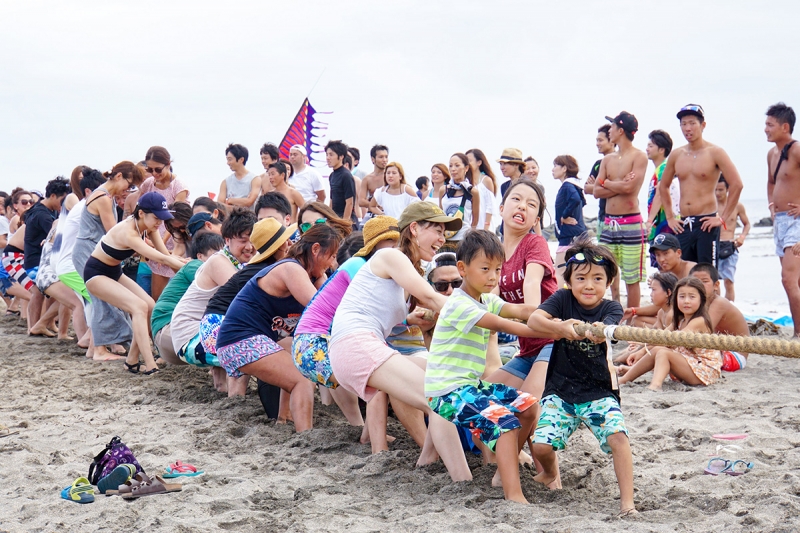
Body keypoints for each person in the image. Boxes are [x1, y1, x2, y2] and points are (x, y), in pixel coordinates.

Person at [328, 202, 472, 481]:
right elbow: (432, 297)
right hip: (356, 343)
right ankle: (463, 480)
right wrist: (478, 315)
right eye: (437, 230)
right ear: (415, 229)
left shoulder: (406, 270)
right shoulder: (390, 256)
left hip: (358, 345)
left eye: (445, 233)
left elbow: (389, 309)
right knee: (439, 401)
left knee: (443, 383)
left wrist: (412, 319)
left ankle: (427, 460)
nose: (443, 239)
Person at [425, 230, 539, 503]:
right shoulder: (458, 304)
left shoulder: (486, 298)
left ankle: (503, 469)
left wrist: (555, 315)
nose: (492, 276)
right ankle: (514, 495)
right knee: (506, 424)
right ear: (463, 269)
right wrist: (552, 331)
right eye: (485, 268)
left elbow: (520, 311)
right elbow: (501, 324)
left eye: (497, 270)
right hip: (447, 392)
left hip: (471, 386)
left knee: (529, 407)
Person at [527, 237, 634, 516]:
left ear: (608, 283)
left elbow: (608, 327)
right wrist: (561, 327)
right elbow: (534, 321)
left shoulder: (611, 308)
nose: (589, 285)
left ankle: (627, 504)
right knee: (540, 446)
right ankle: (550, 473)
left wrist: (598, 330)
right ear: (569, 281)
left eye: (598, 278)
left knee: (618, 437)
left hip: (599, 391)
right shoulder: (562, 300)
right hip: (560, 391)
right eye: (582, 278)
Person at [217, 224, 341, 431]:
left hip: (254, 338)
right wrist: (322, 278)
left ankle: (284, 419)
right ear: (316, 249)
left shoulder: (305, 272)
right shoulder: (291, 268)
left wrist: (321, 276)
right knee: (302, 377)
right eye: (332, 255)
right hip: (239, 340)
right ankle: (306, 434)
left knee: (297, 354)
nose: (333, 263)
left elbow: (328, 305)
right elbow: (322, 310)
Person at [292, 217, 400, 451]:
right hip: (314, 343)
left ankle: (368, 433)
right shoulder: (359, 267)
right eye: (390, 246)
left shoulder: (358, 265)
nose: (395, 252)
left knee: (375, 378)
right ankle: (374, 442)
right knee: (378, 378)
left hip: (309, 341)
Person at [485, 180, 556, 464]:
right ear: (502, 208)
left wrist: (527, 316)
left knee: (527, 402)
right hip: (527, 348)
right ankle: (517, 460)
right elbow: (490, 299)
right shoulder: (495, 253)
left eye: (531, 204)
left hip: (553, 339)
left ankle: (534, 473)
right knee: (484, 400)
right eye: (516, 200)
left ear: (536, 219)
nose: (522, 206)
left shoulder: (534, 243)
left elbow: (532, 288)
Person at [84, 191, 187, 375]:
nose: (159, 223)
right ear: (141, 213)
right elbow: (161, 260)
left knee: (149, 305)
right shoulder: (129, 232)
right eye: (156, 217)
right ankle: (150, 364)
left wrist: (184, 263)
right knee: (139, 307)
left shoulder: (148, 227)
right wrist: (190, 268)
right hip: (96, 273)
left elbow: (166, 255)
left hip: (114, 271)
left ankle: (131, 361)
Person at [659, 104, 744, 267]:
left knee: (706, 274)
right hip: (683, 223)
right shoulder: (677, 154)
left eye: (692, 123)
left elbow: (737, 184)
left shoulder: (715, 152)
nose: (687, 128)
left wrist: (722, 218)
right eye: (683, 124)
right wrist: (670, 217)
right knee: (683, 272)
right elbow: (663, 186)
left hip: (706, 223)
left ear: (702, 125)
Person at [617, 277, 721, 391]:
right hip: (689, 364)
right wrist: (642, 351)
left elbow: (672, 341)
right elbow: (662, 338)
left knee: (663, 353)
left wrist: (647, 349)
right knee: (658, 350)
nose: (686, 301)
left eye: (692, 297)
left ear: (701, 299)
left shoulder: (699, 321)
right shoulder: (679, 320)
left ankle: (655, 385)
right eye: (682, 296)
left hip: (704, 370)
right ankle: (624, 379)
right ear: (675, 299)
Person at [593, 112, 649, 308]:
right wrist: (615, 183)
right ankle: (607, 310)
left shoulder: (639, 156)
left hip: (631, 223)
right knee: (603, 270)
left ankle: (633, 320)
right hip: (609, 223)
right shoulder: (607, 159)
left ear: (621, 130)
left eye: (612, 126)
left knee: (631, 276)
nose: (609, 130)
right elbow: (596, 192)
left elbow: (630, 189)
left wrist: (607, 182)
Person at [151, 232, 224, 365]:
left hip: (169, 333)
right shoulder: (195, 265)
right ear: (200, 256)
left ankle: (220, 382)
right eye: (216, 254)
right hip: (169, 330)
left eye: (224, 254)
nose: (222, 259)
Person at [765, 103, 800, 336]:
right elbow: (772, 181)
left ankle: (798, 334)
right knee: (795, 281)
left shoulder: (796, 150)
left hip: (797, 221)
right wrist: (770, 204)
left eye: (770, 125)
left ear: (784, 127)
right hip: (780, 221)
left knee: (788, 279)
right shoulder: (772, 153)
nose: (765, 129)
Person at [140, 146, 191, 299]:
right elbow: (141, 210)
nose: (154, 174)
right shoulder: (148, 184)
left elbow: (175, 220)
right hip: (153, 240)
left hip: (174, 241)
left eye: (158, 169)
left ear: (168, 164)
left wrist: (160, 245)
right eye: (150, 170)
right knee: (157, 297)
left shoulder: (179, 186)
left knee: (179, 294)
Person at [24, 177, 70, 334]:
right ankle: (36, 327)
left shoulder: (37, 210)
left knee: (45, 294)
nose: (63, 205)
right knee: (39, 294)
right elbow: (55, 236)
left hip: (32, 260)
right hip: (36, 261)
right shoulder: (42, 215)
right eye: (62, 200)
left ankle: (43, 325)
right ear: (52, 196)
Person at [690, 263, 750, 372]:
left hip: (735, 355)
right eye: (695, 282)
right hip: (717, 348)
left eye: (705, 281)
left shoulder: (719, 302)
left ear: (716, 285)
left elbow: (704, 330)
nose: (699, 285)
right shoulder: (698, 303)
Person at [715, 175, 750, 301]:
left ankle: (730, 310)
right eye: (715, 190)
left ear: (727, 189)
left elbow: (747, 224)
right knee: (714, 282)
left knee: (729, 281)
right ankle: (716, 310)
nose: (718, 193)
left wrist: (742, 237)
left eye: (721, 190)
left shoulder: (736, 206)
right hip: (714, 245)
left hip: (730, 246)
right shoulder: (711, 206)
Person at [553, 156, 586, 286]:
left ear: (564, 168)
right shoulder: (575, 185)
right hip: (578, 234)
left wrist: (564, 216)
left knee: (560, 271)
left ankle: (561, 304)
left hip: (569, 236)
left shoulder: (567, 186)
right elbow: (582, 202)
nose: (553, 169)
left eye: (556, 165)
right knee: (578, 271)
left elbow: (576, 200)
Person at [644, 130, 678, 250]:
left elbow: (660, 193)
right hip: (662, 222)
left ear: (661, 150)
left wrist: (649, 221)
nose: (647, 149)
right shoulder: (660, 169)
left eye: (651, 146)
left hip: (665, 223)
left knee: (665, 260)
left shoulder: (664, 168)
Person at [584, 125, 616, 240]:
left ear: (612, 140)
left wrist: (598, 186)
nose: (597, 143)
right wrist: (610, 187)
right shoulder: (598, 164)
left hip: (619, 217)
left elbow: (625, 189)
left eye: (600, 140)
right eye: (597, 140)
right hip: (602, 217)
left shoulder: (621, 161)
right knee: (604, 255)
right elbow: (587, 189)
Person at [439, 153, 479, 242]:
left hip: (463, 239)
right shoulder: (443, 190)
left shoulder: (472, 192)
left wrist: (470, 239)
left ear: (466, 168)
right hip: (445, 239)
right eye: (450, 166)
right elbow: (440, 215)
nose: (453, 169)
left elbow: (475, 220)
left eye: (457, 165)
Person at [218, 143, 260, 209]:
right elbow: (220, 206)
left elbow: (249, 202)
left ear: (241, 160)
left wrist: (230, 201)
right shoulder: (225, 182)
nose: (228, 163)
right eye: (227, 159)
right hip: (231, 219)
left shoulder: (254, 179)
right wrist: (242, 202)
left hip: (249, 218)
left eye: (230, 159)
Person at [326, 140, 357, 226]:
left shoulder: (346, 175)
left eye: (331, 155)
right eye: (327, 154)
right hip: (335, 219)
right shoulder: (332, 176)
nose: (328, 158)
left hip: (346, 220)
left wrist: (344, 224)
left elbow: (350, 203)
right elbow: (332, 200)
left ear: (341, 157)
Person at [466, 148, 499, 232]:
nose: (467, 164)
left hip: (483, 227)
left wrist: (486, 227)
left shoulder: (486, 180)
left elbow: (490, 206)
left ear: (479, 162)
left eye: (470, 161)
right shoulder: (465, 182)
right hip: (468, 226)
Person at [358, 144, 389, 214]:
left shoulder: (391, 176)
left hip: (389, 213)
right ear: (373, 159)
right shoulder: (367, 179)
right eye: (381, 157)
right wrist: (374, 206)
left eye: (386, 157)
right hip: (372, 214)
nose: (384, 160)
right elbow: (361, 201)